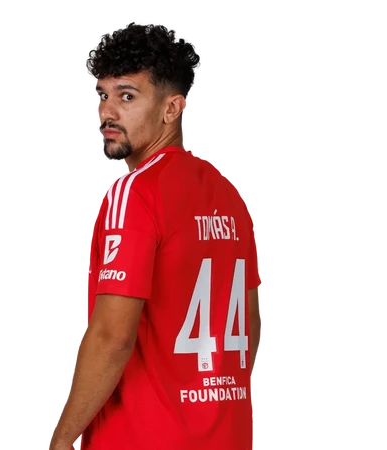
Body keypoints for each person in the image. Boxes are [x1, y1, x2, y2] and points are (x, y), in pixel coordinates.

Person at [48, 22, 264, 450]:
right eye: (102, 95)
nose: (106, 113)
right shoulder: (231, 195)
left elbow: (112, 336)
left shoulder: (135, 192)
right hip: (229, 437)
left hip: (140, 439)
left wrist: (61, 441)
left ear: (173, 108)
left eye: (127, 96)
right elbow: (251, 323)